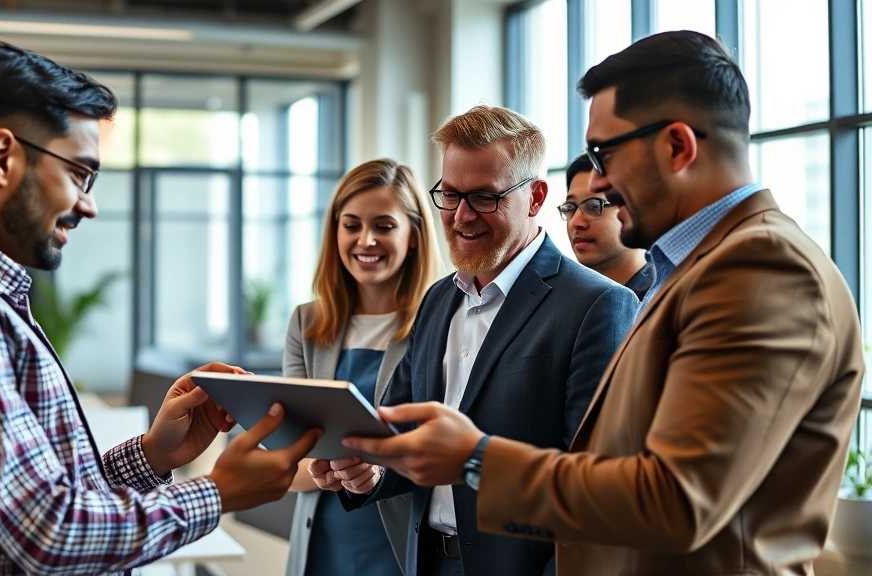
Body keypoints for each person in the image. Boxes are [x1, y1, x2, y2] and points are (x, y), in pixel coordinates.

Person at [341, 31, 865, 576]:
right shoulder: (693, 269)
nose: (600, 184)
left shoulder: (762, 269)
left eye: (604, 153)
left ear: (678, 146)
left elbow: (678, 501)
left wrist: (476, 458)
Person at [0, 42, 320, 575]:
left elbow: (30, 502)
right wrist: (217, 493)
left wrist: (151, 456)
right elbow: (49, 532)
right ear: (3, 156)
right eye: (80, 174)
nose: (89, 205)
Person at [310, 105, 639, 576]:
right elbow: (405, 432)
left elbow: (597, 482)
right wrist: (371, 472)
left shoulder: (597, 306)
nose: (461, 216)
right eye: (449, 194)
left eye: (485, 197)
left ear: (536, 196)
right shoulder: (438, 300)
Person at [283, 158, 443, 576]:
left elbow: (443, 452)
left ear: (413, 236)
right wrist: (321, 472)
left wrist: (375, 470)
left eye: (384, 226)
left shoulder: (440, 324)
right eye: (351, 225)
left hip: (399, 545)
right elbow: (288, 459)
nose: (366, 240)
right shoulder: (307, 323)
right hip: (322, 543)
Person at [560, 153, 653, 299]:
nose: (575, 223)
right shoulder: (567, 299)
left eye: (593, 206)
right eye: (570, 208)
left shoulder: (663, 297)